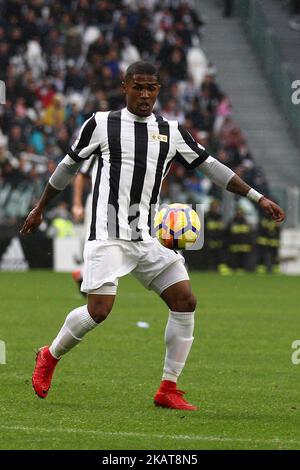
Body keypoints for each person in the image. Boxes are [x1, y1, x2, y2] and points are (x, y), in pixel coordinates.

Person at [20, 61, 285, 411]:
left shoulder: (171, 131)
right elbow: (68, 167)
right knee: (99, 311)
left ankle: (168, 388)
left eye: (151, 88)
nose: (145, 94)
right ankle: (49, 355)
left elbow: (211, 166)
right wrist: (40, 208)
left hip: (147, 237)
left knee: (185, 300)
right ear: (124, 86)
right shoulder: (101, 124)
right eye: (138, 87)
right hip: (108, 234)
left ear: (159, 90)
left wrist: (257, 196)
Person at [226, 206, 254, 272]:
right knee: (234, 262)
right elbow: (227, 234)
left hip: (245, 248)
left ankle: (243, 271)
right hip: (234, 247)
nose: (239, 215)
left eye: (241, 213)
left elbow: (250, 235)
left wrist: (250, 244)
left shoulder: (246, 223)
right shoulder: (232, 223)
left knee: (244, 263)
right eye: (238, 213)